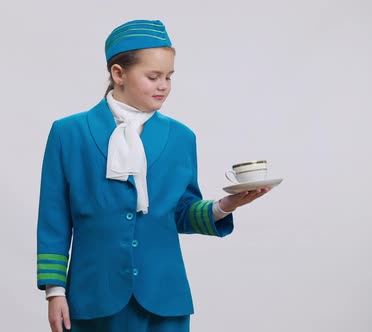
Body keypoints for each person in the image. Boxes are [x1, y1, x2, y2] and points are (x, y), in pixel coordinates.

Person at [36, 19, 270, 332]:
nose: (164, 86)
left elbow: (182, 213)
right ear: (118, 74)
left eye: (169, 77)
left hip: (164, 296)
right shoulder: (69, 133)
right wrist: (55, 291)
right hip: (92, 296)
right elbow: (54, 217)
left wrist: (227, 204)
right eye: (153, 76)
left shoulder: (181, 137)